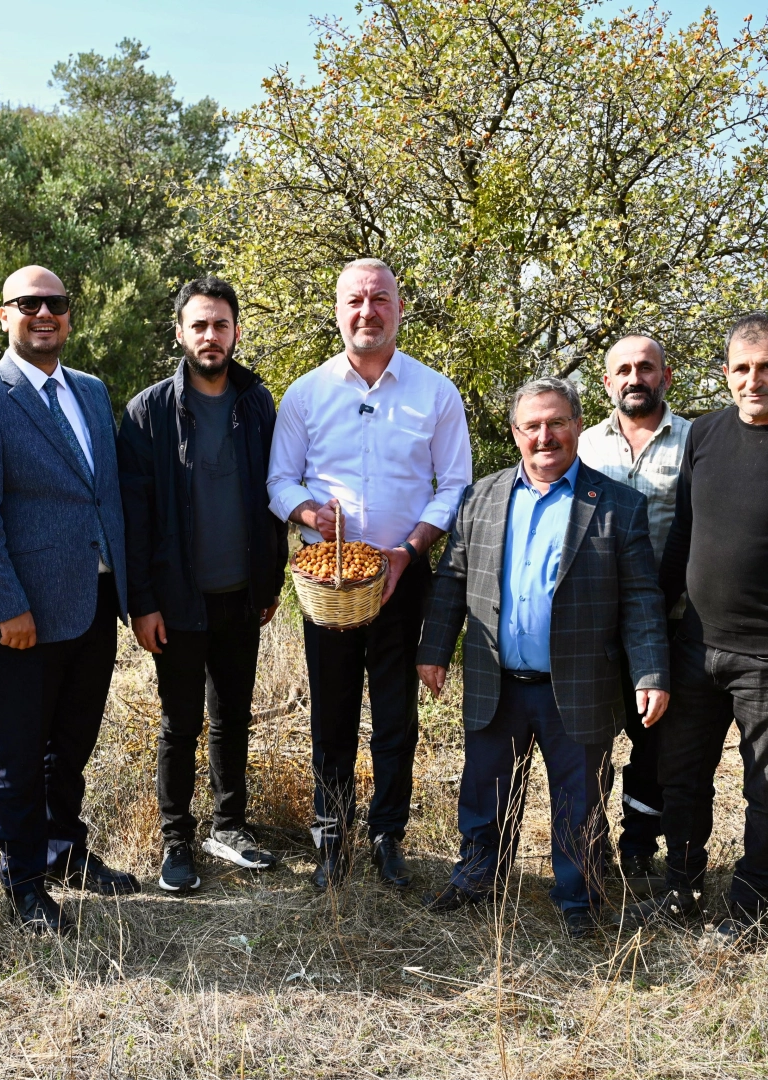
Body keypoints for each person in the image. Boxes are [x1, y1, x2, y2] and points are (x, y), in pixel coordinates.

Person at [620, 312, 768, 943]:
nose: (753, 381)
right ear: (726, 374)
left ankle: (749, 909)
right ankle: (681, 890)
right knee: (681, 780)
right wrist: (651, 626)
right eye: (742, 369)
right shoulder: (704, 434)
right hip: (694, 648)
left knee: (767, 791)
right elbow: (683, 538)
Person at [416, 377, 670, 938]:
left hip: (578, 684)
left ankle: (579, 895)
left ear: (578, 425)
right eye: (532, 425)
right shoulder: (480, 498)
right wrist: (434, 650)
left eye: (556, 422)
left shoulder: (618, 506)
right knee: (484, 790)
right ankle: (478, 876)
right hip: (496, 680)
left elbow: (641, 600)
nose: (544, 436)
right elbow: (452, 578)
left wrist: (651, 672)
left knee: (580, 798)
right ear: (515, 433)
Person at [266, 258, 473, 890]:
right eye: (355, 300)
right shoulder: (306, 393)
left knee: (395, 715)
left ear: (399, 308)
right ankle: (332, 839)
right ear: (337, 310)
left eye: (380, 298)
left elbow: (455, 485)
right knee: (331, 714)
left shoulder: (434, 392)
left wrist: (408, 550)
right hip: (328, 580)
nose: (367, 311)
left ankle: (388, 835)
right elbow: (279, 480)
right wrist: (307, 511)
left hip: (403, 576)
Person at [0, 265, 138, 934]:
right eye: (28, 303)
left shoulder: (91, 391)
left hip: (94, 599)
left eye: (55, 302)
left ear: (69, 315)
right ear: (4, 315)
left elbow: (103, 494)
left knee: (72, 743)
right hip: (23, 614)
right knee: (20, 753)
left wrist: (130, 591)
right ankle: (24, 885)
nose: (44, 313)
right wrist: (6, 606)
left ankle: (65, 851)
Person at [117, 277, 288, 892]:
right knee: (180, 721)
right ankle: (176, 841)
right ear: (180, 334)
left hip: (242, 597)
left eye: (220, 324)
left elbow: (274, 493)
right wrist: (142, 603)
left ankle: (229, 826)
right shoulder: (148, 412)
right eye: (199, 325)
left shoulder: (257, 403)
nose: (210, 336)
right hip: (176, 601)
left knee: (233, 716)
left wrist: (270, 581)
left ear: (236, 331)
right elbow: (134, 520)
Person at [577, 334, 692, 896]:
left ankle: (640, 847)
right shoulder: (582, 445)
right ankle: (588, 843)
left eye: (645, 367)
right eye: (622, 369)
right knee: (591, 740)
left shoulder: (695, 442)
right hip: (596, 623)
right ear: (607, 382)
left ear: (665, 376)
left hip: (670, 620)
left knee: (654, 745)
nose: (634, 377)